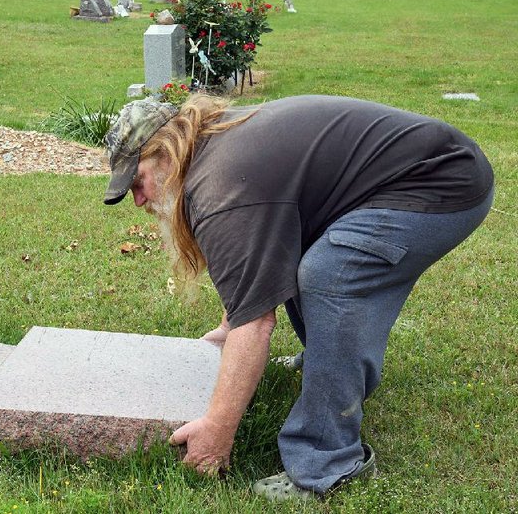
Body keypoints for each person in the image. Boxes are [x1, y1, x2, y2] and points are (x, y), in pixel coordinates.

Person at [102, 94, 494, 501]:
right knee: (307, 256)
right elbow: (256, 256)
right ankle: (330, 367)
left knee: (329, 275)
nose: (140, 199)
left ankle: (328, 464)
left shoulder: (219, 185)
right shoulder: (216, 149)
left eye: (137, 181)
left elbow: (255, 323)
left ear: (166, 152)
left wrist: (216, 432)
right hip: (426, 169)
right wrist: (225, 329)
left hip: (442, 181)